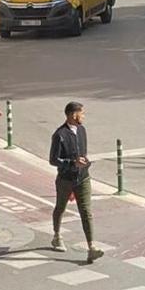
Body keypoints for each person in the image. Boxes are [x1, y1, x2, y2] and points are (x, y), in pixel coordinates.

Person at [49, 102, 103, 264]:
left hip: (83, 178)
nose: (84, 116)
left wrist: (85, 162)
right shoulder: (60, 135)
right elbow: (53, 160)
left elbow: (83, 152)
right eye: (82, 113)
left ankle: (91, 247)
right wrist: (72, 163)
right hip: (66, 179)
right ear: (73, 115)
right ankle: (57, 236)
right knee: (60, 207)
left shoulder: (82, 130)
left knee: (86, 211)